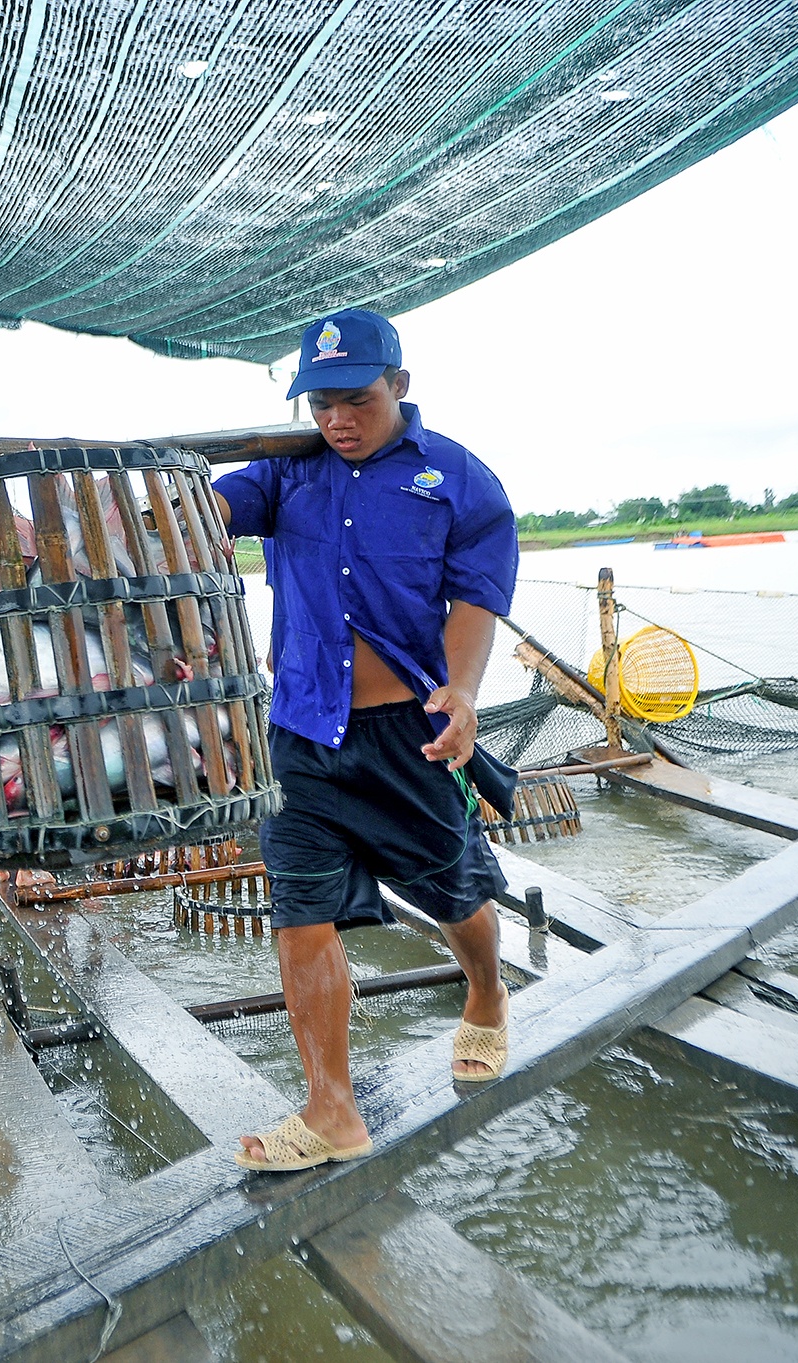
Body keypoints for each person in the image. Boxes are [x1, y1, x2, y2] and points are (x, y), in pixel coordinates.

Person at [210, 308, 518, 1173]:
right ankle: (330, 1108)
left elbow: (475, 601)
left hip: (410, 735)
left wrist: (461, 691)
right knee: (300, 912)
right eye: (320, 405)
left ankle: (488, 996)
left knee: (455, 891)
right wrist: (159, 490)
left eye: (357, 401)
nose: (338, 421)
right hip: (303, 729)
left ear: (400, 387)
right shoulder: (287, 473)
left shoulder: (458, 480)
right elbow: (200, 513)